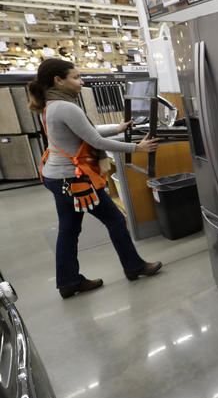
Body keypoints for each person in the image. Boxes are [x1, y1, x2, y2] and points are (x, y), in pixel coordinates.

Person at [28, 59, 163, 299]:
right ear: (58, 80)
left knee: (69, 230)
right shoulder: (67, 107)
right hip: (75, 178)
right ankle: (134, 266)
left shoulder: (51, 104)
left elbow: (84, 131)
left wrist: (118, 129)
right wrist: (137, 148)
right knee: (115, 220)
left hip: (57, 177)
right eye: (75, 77)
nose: (81, 82)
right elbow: (95, 141)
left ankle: (68, 282)